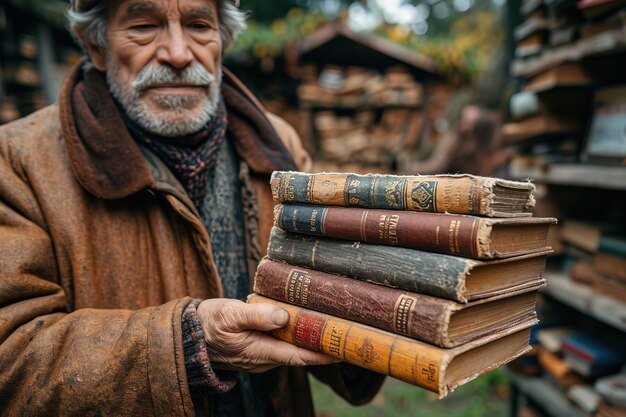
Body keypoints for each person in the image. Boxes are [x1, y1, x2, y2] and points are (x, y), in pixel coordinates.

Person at [0, 0, 384, 415]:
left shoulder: (277, 144)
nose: (179, 54)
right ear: (97, 45)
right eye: (144, 26)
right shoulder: (19, 161)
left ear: (223, 39)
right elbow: (11, 357)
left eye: (199, 25)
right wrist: (186, 345)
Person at [399, 104, 513, 177]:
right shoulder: (455, 139)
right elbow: (436, 165)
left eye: (466, 122)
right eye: (461, 119)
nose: (460, 125)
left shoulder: (496, 155)